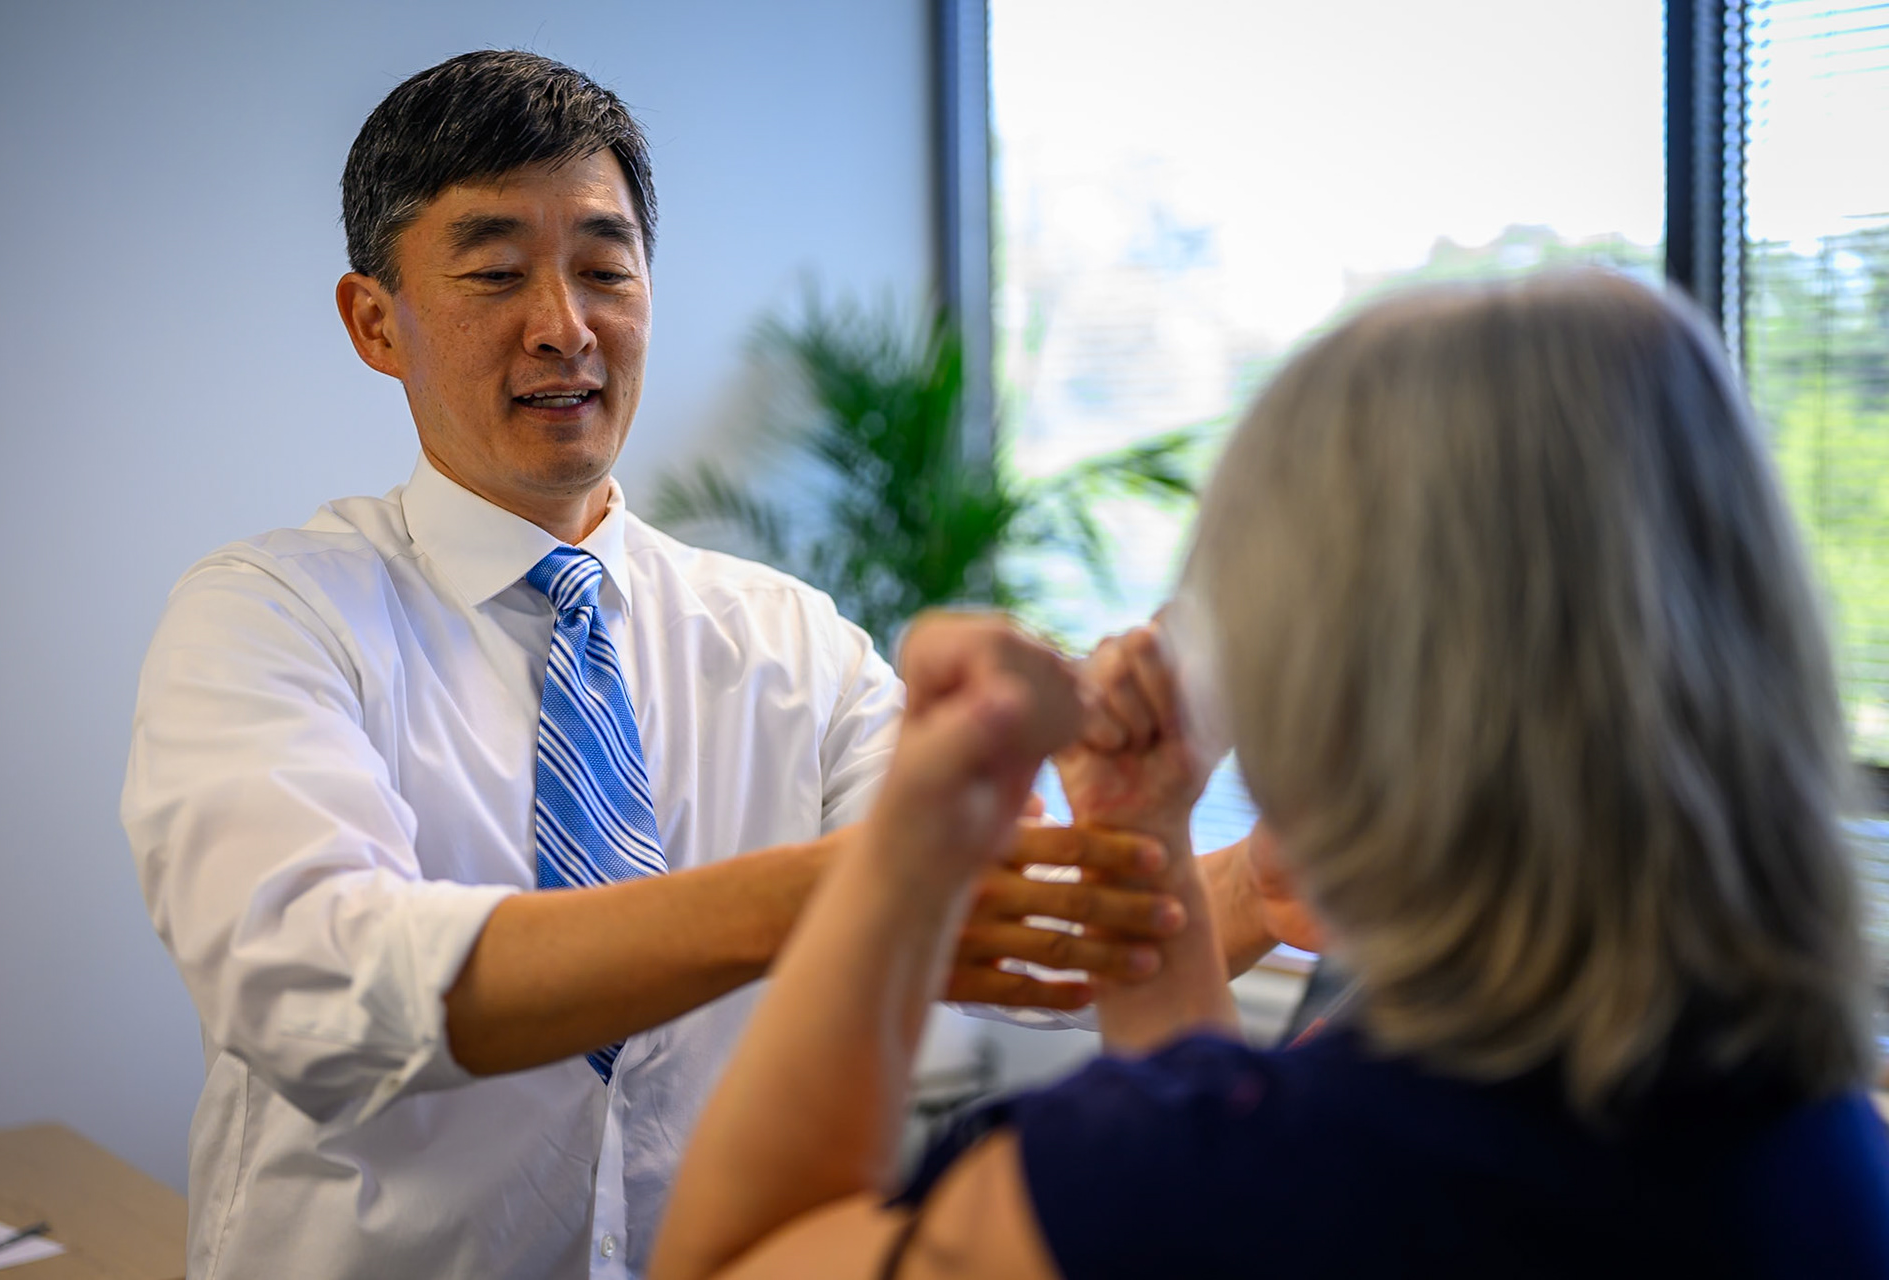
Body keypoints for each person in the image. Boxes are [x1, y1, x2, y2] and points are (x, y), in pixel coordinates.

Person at [121, 50, 1275, 1280]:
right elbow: (317, 980)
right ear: (374, 323)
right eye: (496, 273)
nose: (565, 326)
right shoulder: (273, 615)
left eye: (605, 270)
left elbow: (1014, 935)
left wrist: (1264, 881)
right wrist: (838, 892)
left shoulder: (791, 642)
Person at [647, 270, 1889, 1280]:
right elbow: (1208, 1157)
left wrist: (913, 843)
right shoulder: (1816, 1142)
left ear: (1329, 685)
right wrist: (1139, 833)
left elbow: (735, 1262)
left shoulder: (1228, 1176)